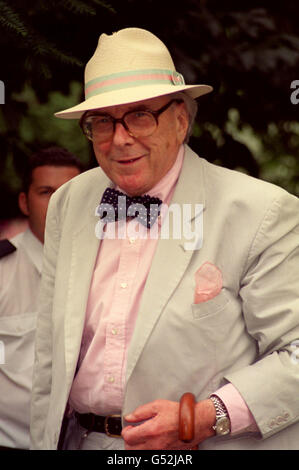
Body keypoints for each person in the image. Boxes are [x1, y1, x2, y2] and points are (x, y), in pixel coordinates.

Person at [30, 28, 299, 450]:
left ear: (181, 119)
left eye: (140, 115)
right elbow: (48, 356)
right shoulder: (69, 202)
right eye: (102, 121)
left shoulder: (261, 211)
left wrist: (205, 417)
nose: (120, 138)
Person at [0, 147, 82, 449]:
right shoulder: (3, 270)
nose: (58, 203)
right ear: (24, 202)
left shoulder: (106, 271)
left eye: (69, 192)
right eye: (46, 192)